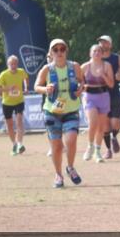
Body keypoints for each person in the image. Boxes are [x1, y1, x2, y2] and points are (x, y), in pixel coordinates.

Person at [34, 39, 85, 188]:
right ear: (50, 53)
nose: (59, 52)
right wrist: (46, 89)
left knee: (71, 140)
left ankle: (70, 167)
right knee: (56, 147)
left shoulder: (74, 66)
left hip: (71, 109)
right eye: (55, 49)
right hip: (52, 111)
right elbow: (36, 86)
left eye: (62, 49)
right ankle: (58, 174)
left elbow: (82, 81)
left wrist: (80, 89)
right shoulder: (47, 70)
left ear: (66, 51)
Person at [81, 44, 115, 163]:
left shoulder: (107, 66)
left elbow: (111, 84)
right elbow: (77, 83)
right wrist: (82, 86)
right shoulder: (85, 67)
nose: (97, 53)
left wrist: (103, 75)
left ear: (102, 53)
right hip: (89, 97)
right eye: (94, 51)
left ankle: (97, 151)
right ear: (90, 53)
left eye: (99, 51)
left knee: (101, 127)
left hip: (103, 96)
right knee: (93, 123)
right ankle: (89, 147)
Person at [97, 35, 120, 158]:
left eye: (105, 42)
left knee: (116, 124)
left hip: (114, 94)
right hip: (101, 95)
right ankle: (108, 150)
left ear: (110, 45)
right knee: (105, 126)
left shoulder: (116, 58)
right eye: (100, 42)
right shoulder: (96, 58)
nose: (102, 44)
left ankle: (114, 137)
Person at [0, 55, 29, 155]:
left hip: (19, 100)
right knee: (9, 125)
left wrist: (26, 88)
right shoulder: (3, 74)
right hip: (7, 103)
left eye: (15, 64)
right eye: (11, 64)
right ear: (8, 64)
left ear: (17, 64)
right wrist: (8, 89)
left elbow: (26, 78)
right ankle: (14, 144)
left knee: (19, 121)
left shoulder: (21, 71)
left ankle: (19, 144)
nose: (13, 66)